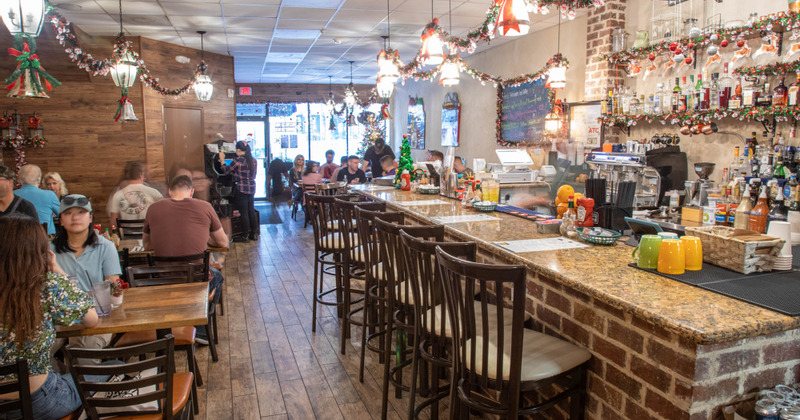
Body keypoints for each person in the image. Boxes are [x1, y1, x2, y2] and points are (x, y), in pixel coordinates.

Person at [0, 215, 98, 420]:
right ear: (38, 250)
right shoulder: (47, 285)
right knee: (108, 368)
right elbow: (91, 319)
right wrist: (57, 271)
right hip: (39, 402)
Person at [143, 175, 228, 344]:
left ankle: (173, 326)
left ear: (169, 191)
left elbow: (147, 246)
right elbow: (223, 242)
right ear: (192, 191)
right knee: (217, 277)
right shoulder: (205, 206)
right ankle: (201, 329)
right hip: (196, 279)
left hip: (163, 279)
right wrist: (206, 239)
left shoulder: (153, 208)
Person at [50, 194, 122, 354]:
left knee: (83, 353)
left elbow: (113, 290)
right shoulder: (51, 250)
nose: (75, 217)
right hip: (58, 319)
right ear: (61, 220)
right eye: (68, 213)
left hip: (97, 319)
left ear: (90, 218)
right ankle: (61, 378)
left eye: (81, 212)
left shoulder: (106, 247)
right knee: (38, 354)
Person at [219, 141, 259, 242]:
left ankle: (245, 236)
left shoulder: (237, 161)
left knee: (244, 212)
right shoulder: (253, 160)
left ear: (238, 150)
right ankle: (254, 234)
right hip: (251, 187)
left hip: (241, 188)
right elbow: (253, 176)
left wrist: (222, 160)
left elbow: (226, 171)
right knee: (251, 210)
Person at [13, 165, 61, 235]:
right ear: (39, 179)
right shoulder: (50, 195)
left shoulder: (11, 195)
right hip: (46, 238)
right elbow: (62, 214)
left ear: (19, 180)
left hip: (19, 239)